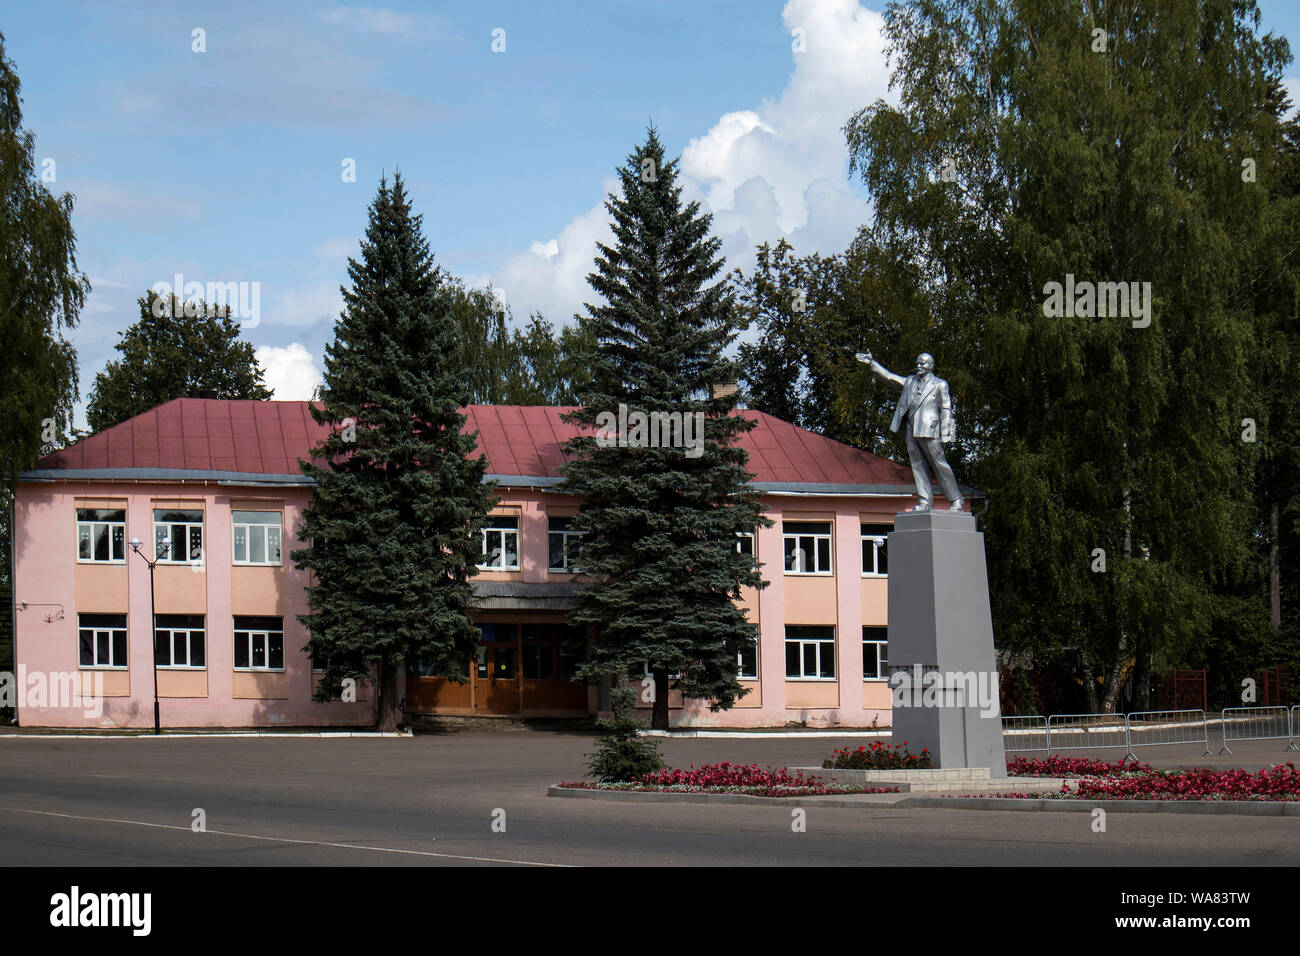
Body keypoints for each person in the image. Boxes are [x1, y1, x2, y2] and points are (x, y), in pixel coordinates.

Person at [855, 349, 964, 512]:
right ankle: (925, 502)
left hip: (930, 429)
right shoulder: (910, 381)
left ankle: (956, 499)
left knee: (940, 465)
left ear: (931, 366)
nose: (919, 366)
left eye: (923, 363)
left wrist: (947, 433)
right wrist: (872, 363)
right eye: (918, 363)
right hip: (911, 429)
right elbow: (890, 377)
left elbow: (946, 408)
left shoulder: (940, 384)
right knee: (918, 466)